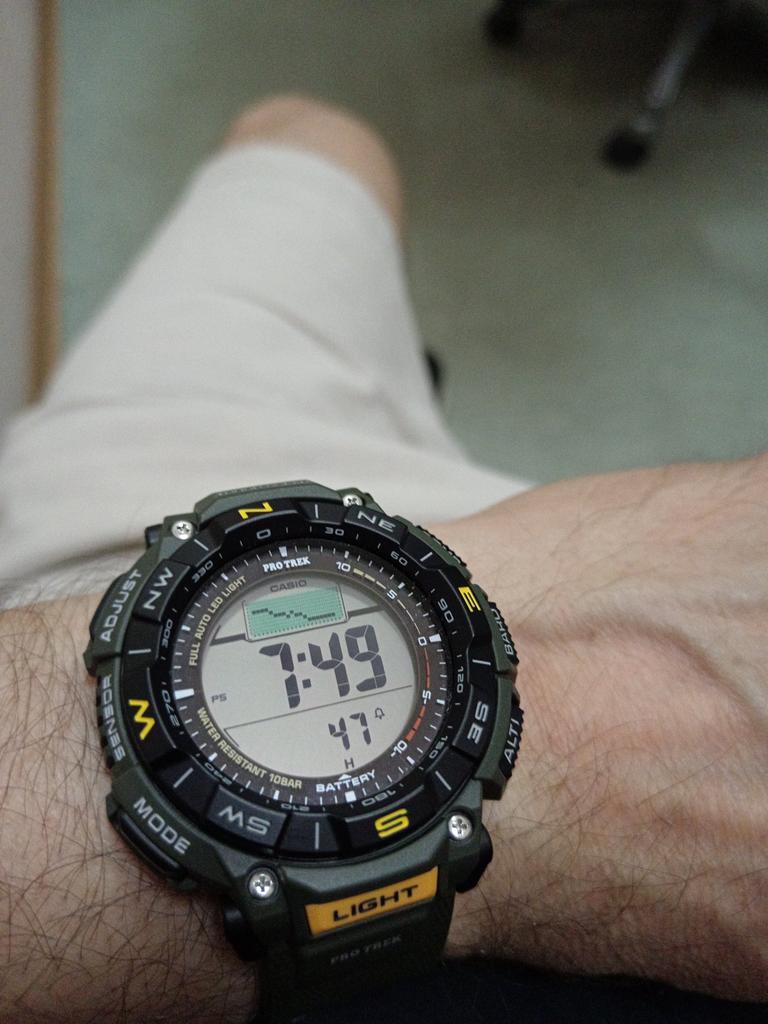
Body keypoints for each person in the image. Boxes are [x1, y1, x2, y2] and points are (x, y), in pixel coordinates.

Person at [0, 95, 765, 1024]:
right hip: (154, 544)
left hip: (164, 460)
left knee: (300, 128)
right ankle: (407, 399)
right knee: (326, 140)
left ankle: (404, 397)